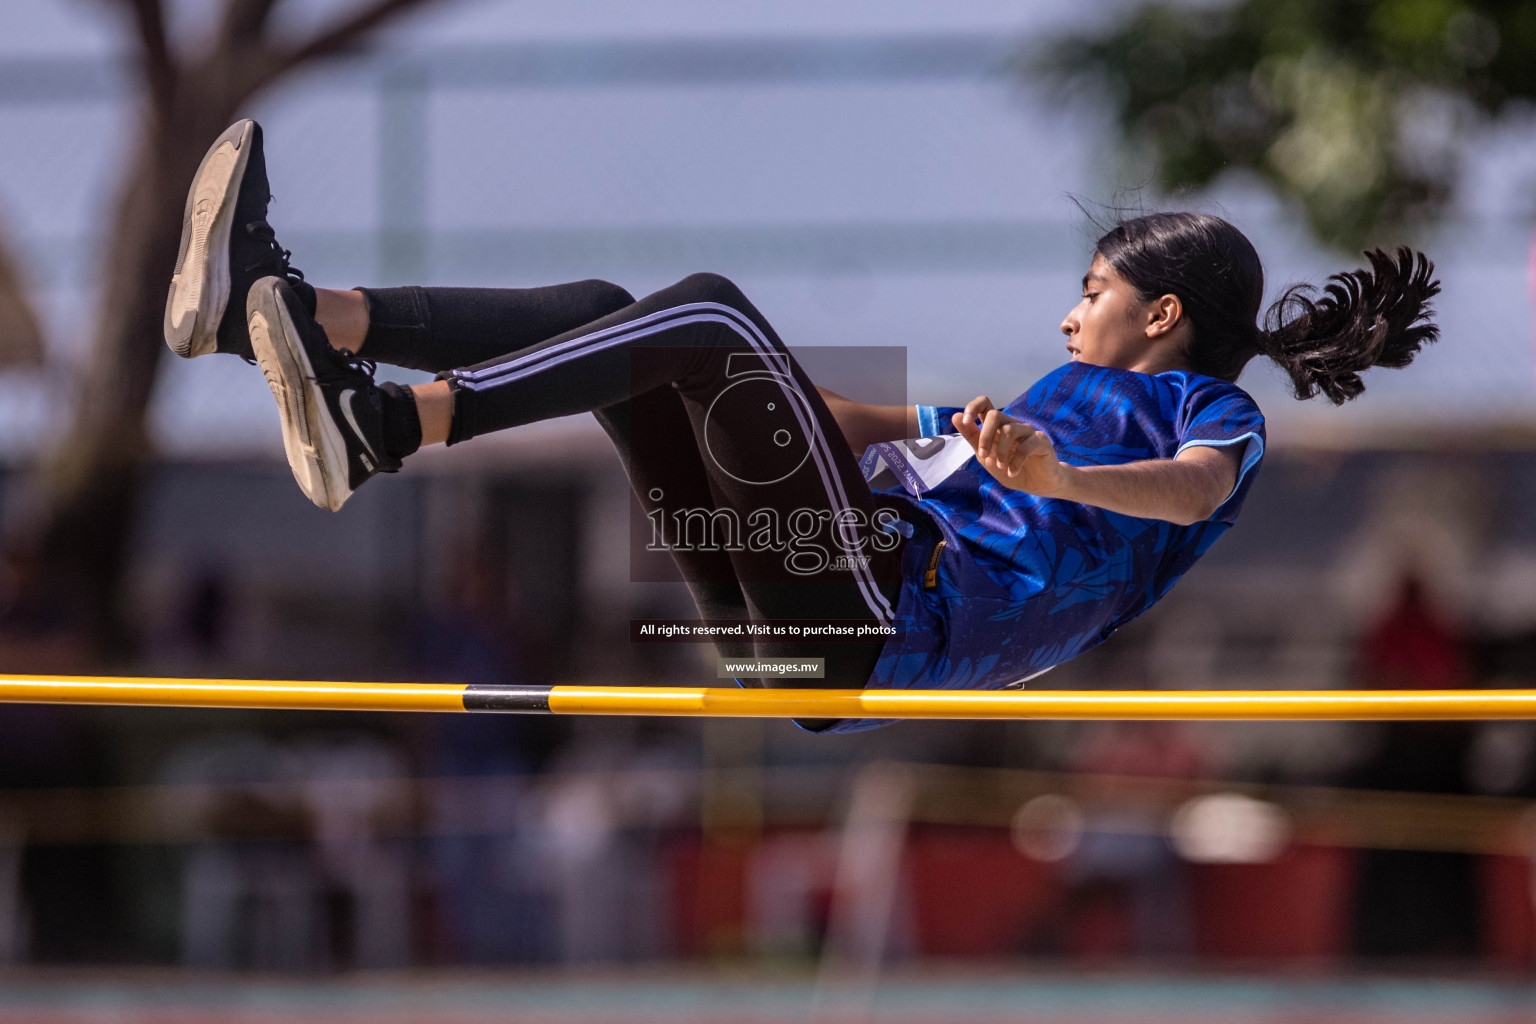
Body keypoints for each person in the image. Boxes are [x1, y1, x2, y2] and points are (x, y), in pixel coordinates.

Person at [164, 119, 1440, 732]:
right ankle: (280, 314)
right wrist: (737, 381)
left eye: (1091, 294)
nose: (1066, 318)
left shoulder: (1201, 411)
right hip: (819, 617)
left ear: (1162, 314)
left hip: (879, 621)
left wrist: (1057, 474)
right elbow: (850, 419)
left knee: (707, 312)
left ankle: (384, 429)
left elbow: (1195, 492)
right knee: (637, 321)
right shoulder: (1031, 414)